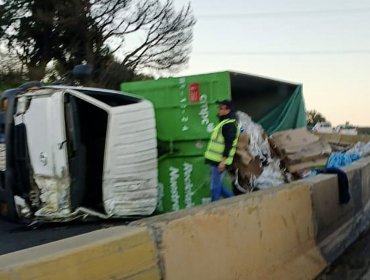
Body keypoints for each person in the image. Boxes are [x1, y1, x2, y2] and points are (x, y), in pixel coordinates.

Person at [204, 99, 240, 201]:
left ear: (227, 110)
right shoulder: (226, 122)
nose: (218, 110)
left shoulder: (229, 124)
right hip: (217, 160)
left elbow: (228, 143)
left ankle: (213, 209)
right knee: (219, 187)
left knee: (215, 188)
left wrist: (222, 162)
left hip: (219, 161)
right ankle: (235, 202)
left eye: (220, 108)